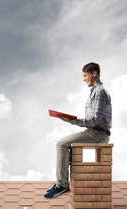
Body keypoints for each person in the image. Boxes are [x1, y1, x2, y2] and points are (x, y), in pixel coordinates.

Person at [44, 62, 112, 199]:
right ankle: (65, 183)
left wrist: (72, 121)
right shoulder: (96, 92)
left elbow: (95, 119)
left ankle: (62, 185)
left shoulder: (99, 92)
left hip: (97, 133)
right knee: (68, 148)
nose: (83, 79)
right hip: (94, 132)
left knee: (61, 144)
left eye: (85, 75)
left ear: (94, 73)